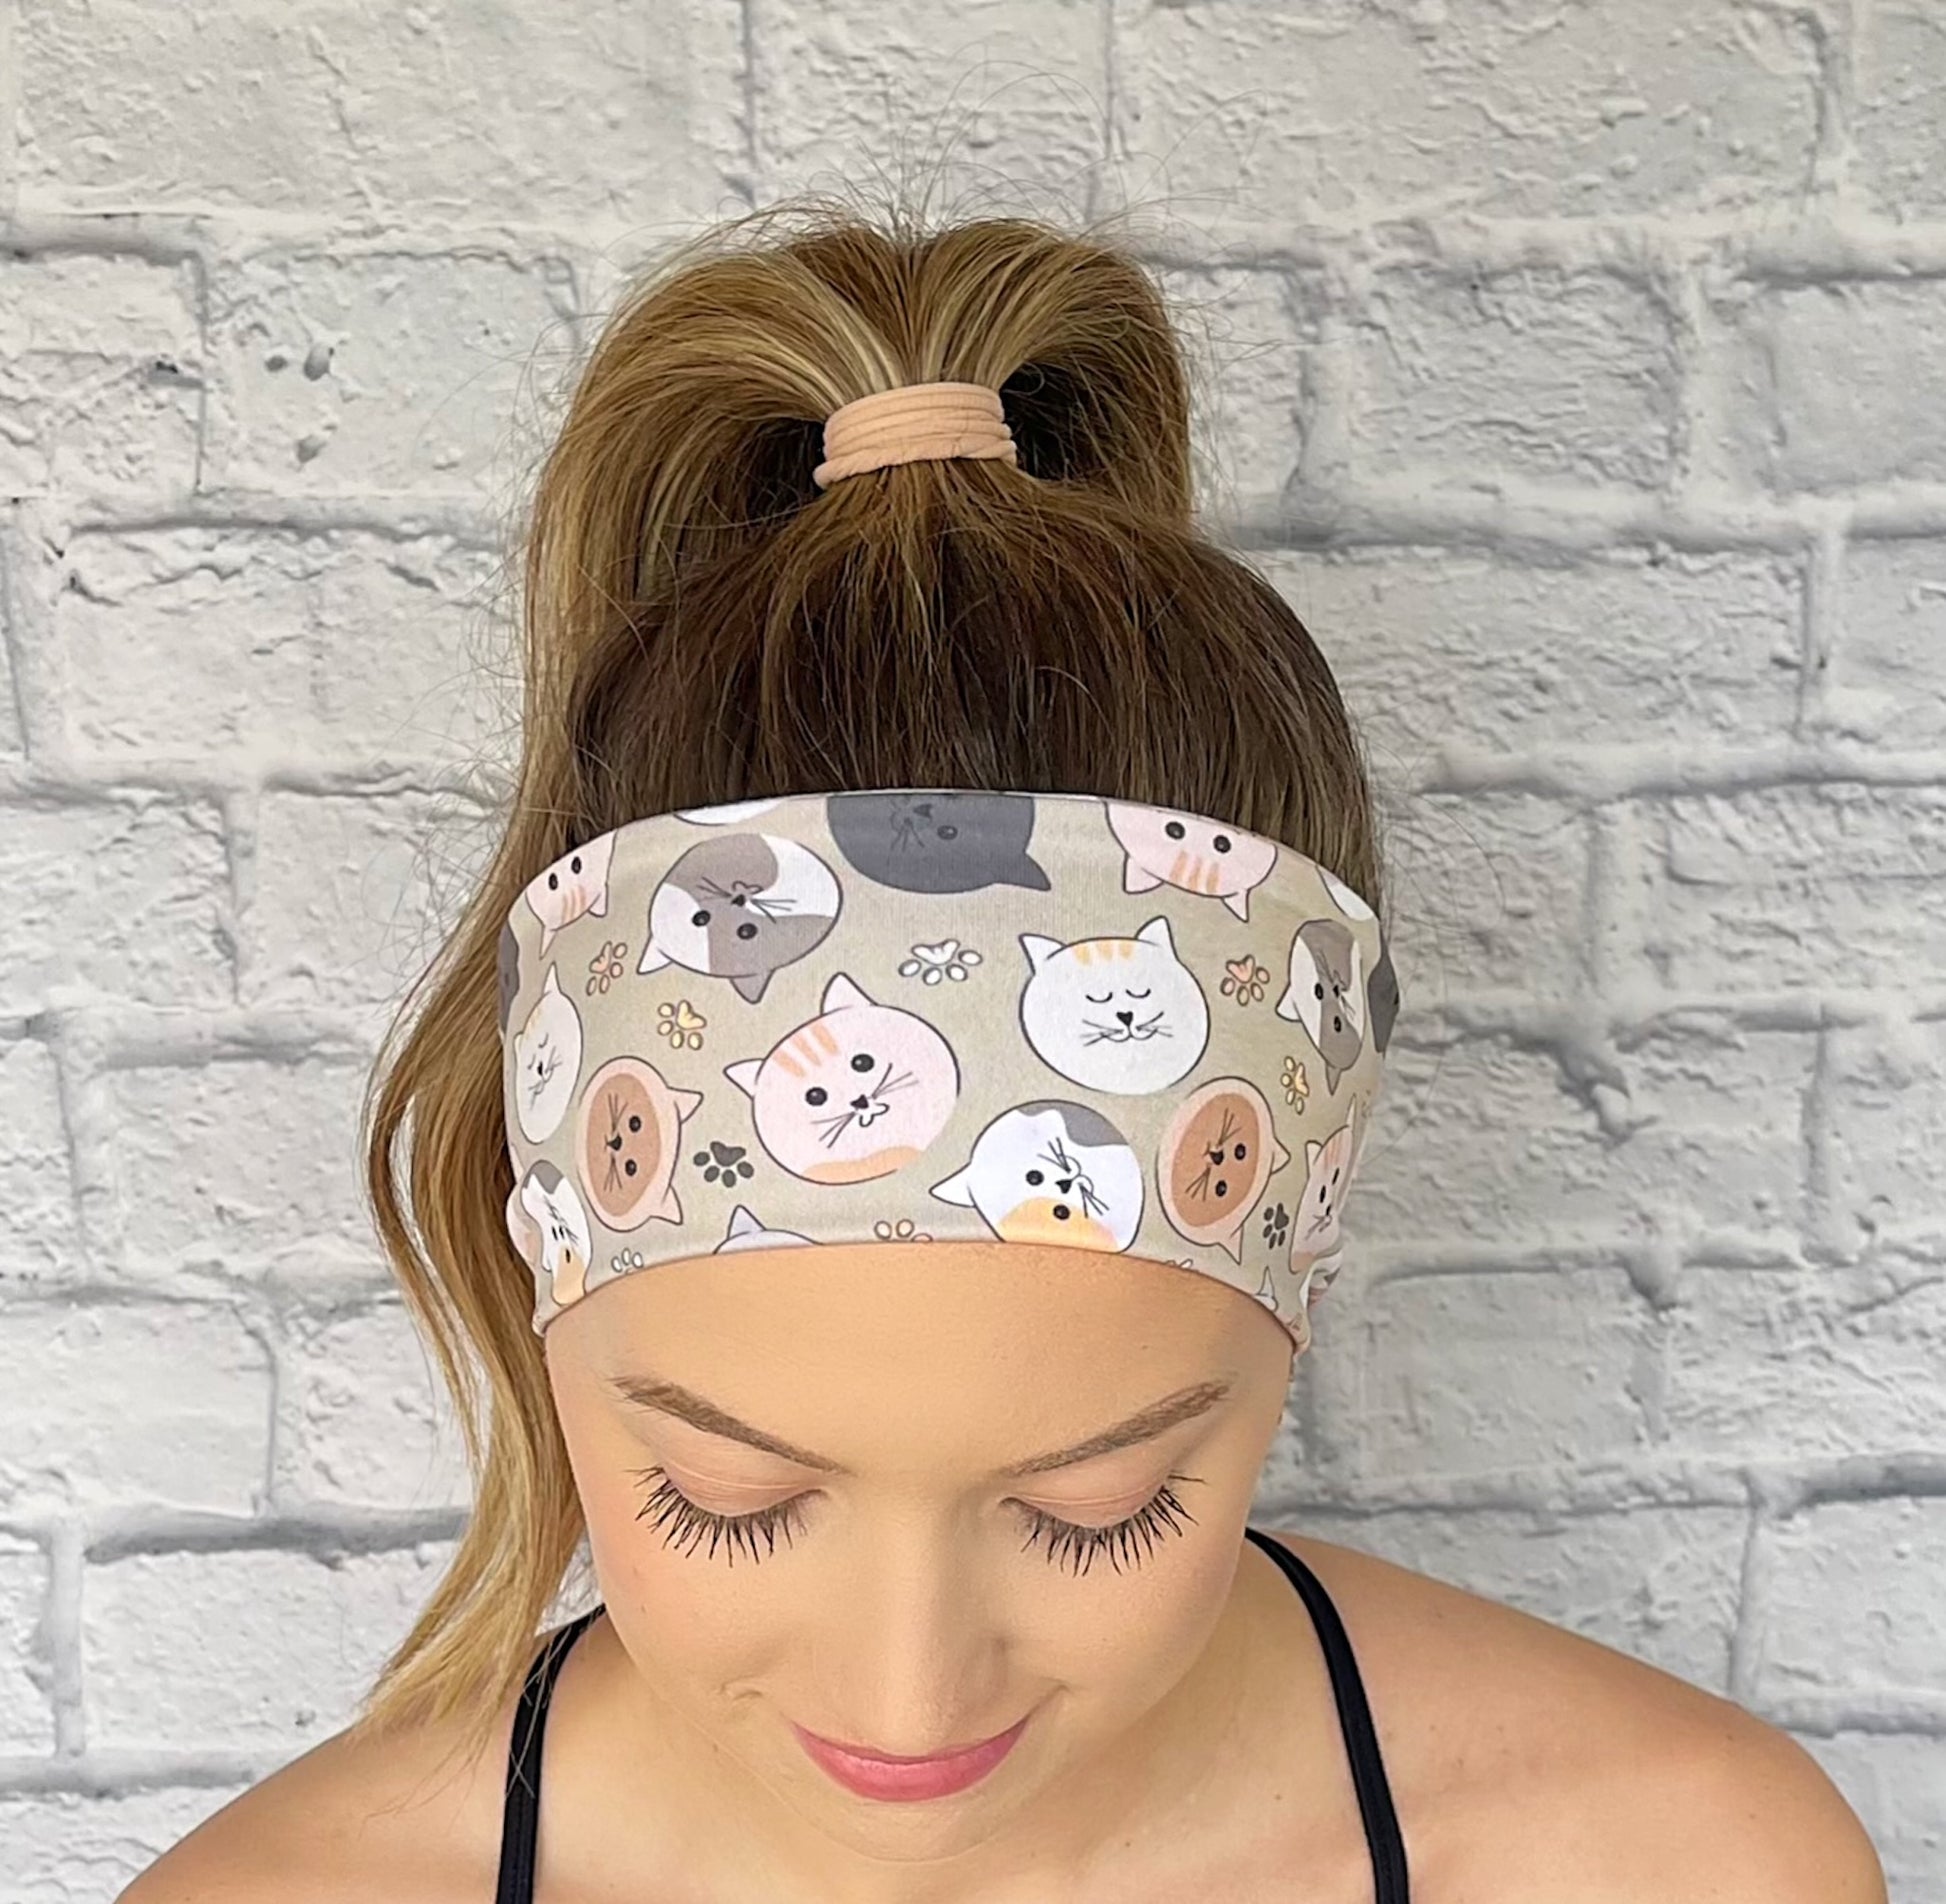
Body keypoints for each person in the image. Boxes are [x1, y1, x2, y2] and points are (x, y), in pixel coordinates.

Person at [122, 197, 1886, 1904]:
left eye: (1099, 1507)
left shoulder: (1680, 1869)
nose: (907, 1700)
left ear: (1296, 1287)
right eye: (725, 1500)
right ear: (549, 1284)